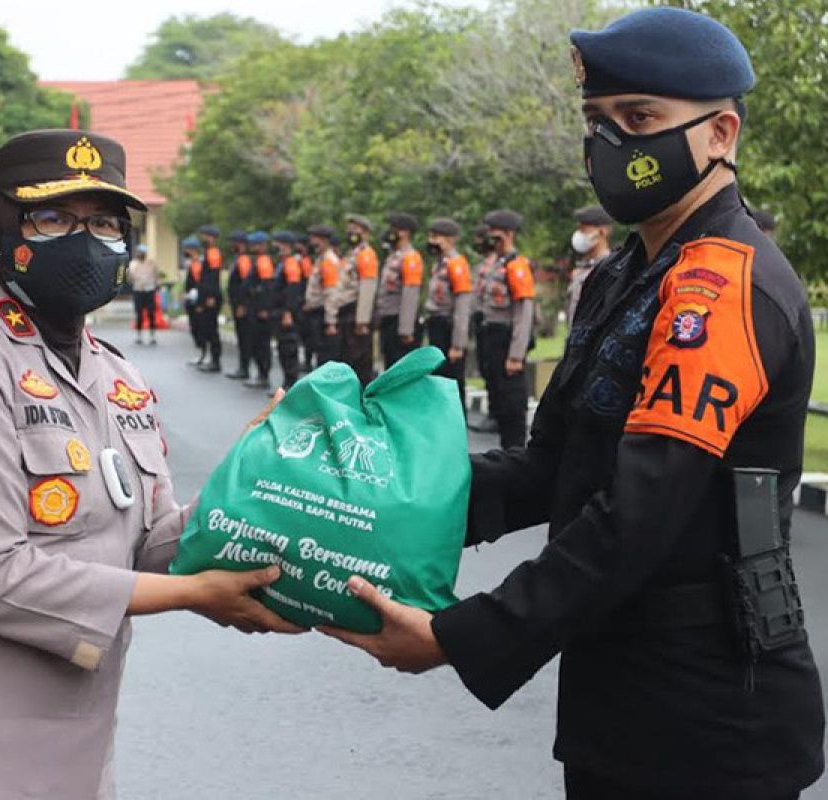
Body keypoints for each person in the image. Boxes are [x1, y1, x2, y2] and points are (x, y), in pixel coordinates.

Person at [320, 9, 825, 800]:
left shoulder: (720, 285)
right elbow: (552, 465)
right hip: (621, 691)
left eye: (641, 119)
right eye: (599, 121)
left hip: (710, 712)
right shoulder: (625, 277)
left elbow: (641, 509)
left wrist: (463, 635)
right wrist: (368, 484)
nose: (613, 144)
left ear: (721, 133)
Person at [0, 130, 299, 800]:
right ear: (1, 227)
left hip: (67, 754)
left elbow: (148, 543)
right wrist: (197, 596)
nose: (86, 241)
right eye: (53, 218)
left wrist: (249, 476)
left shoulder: (116, 373)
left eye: (105, 222)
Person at [476, 209, 535, 448]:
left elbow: (523, 312)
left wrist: (516, 355)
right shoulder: (496, 264)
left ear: (509, 234)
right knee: (500, 400)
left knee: (512, 404)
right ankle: (506, 453)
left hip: (507, 339)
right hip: (492, 336)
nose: (492, 239)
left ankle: (516, 454)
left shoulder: (516, 266)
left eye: (496, 234)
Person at [422, 218, 473, 410]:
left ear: (451, 240)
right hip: (436, 324)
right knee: (439, 379)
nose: (431, 241)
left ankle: (457, 423)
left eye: (436, 237)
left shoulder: (456, 264)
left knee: (452, 381)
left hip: (449, 327)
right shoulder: (439, 264)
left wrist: (458, 344)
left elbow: (462, 305)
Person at [326, 214, 380, 386]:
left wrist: (362, 320)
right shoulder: (352, 255)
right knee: (348, 360)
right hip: (346, 313)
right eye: (349, 230)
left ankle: (363, 402)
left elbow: (367, 287)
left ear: (365, 232)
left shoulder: (366, 255)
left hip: (356, 313)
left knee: (360, 363)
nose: (350, 234)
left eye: (354, 230)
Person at [376, 212, 425, 370]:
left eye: (394, 229)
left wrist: (406, 328)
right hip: (389, 318)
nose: (390, 232)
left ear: (405, 232)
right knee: (389, 364)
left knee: (401, 366)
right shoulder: (393, 256)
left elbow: (410, 293)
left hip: (401, 320)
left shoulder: (410, 257)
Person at [567, 204, 614, 324]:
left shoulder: (611, 270)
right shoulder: (580, 270)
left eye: (584, 230)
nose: (578, 235)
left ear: (602, 232)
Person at [243, 230, 278, 389]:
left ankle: (263, 375)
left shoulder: (264, 261)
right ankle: (260, 373)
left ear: (263, 245)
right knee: (256, 343)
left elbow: (267, 287)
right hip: (255, 307)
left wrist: (264, 307)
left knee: (261, 343)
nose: (253, 247)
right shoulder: (258, 260)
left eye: (256, 244)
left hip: (260, 310)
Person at [302, 224, 340, 368]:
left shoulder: (328, 261)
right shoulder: (321, 259)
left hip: (323, 315)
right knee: (320, 355)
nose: (311, 243)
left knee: (325, 358)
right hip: (317, 312)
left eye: (314, 239)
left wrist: (330, 322)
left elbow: (331, 292)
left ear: (323, 240)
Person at [272, 230, 306, 391]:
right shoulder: (282, 263)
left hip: (287, 313)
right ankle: (286, 382)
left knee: (288, 348)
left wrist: (288, 312)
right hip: (279, 311)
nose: (275, 246)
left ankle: (290, 384)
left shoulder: (291, 263)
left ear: (285, 246)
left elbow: (293, 290)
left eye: (277, 243)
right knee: (282, 348)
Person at [195, 224, 225, 372]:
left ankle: (216, 360)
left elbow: (212, 276)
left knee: (212, 329)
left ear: (211, 238)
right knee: (207, 328)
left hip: (211, 297)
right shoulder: (207, 252)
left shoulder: (213, 253)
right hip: (206, 296)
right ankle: (212, 358)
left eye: (205, 235)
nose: (203, 238)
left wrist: (211, 296)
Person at [224, 230, 253, 380]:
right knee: (241, 337)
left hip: (243, 307)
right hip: (237, 305)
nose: (232, 245)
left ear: (241, 244)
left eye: (234, 242)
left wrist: (242, 304)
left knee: (245, 337)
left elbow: (245, 285)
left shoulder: (244, 260)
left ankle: (245, 368)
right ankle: (242, 366)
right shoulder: (238, 259)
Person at [126, 243, 158, 345]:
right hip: (138, 291)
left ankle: (152, 336)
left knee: (151, 313)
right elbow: (130, 278)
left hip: (149, 291)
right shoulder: (133, 264)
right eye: (140, 252)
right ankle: (139, 336)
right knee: (139, 314)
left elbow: (155, 276)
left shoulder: (151, 263)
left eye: (143, 252)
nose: (141, 254)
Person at [181, 238, 206, 366]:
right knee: (194, 327)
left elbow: (199, 284)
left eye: (187, 249)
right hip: (191, 300)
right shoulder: (191, 263)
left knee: (200, 327)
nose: (185, 251)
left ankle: (204, 353)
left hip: (198, 300)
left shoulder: (200, 264)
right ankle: (200, 353)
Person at [295, 236, 316, 372]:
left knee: (308, 335)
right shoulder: (301, 260)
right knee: (303, 334)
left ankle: (308, 361)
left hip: (305, 302)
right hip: (301, 301)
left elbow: (308, 283)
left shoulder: (306, 262)